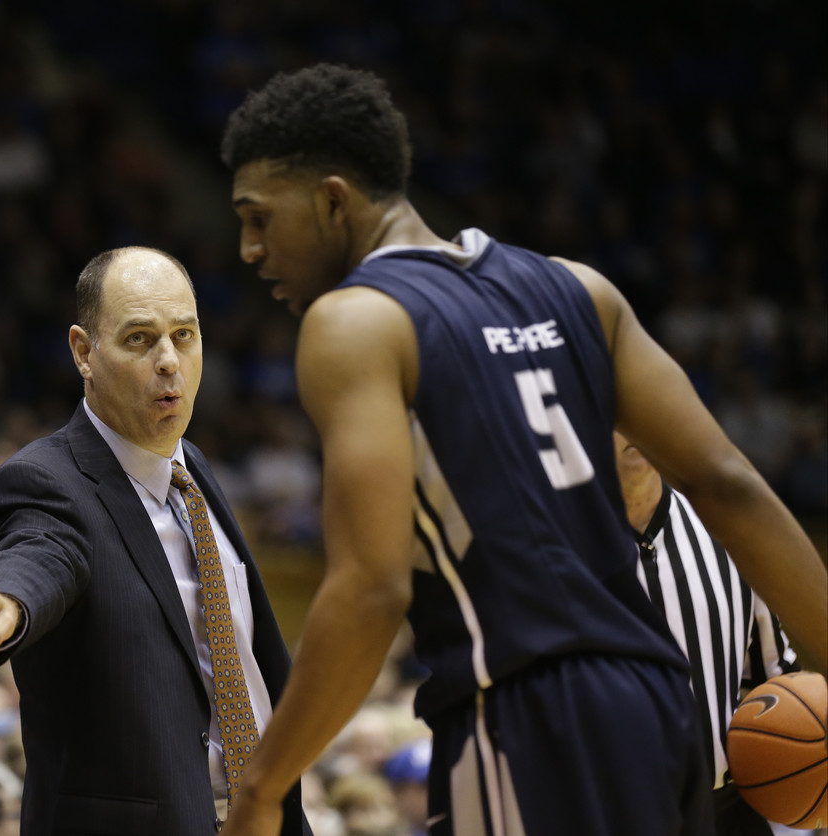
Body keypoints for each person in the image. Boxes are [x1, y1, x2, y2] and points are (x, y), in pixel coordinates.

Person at [216, 63, 828, 836]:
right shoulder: (580, 289)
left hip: (528, 714)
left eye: (258, 217)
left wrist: (262, 787)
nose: (245, 247)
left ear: (333, 200)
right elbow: (729, 483)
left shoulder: (355, 324)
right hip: (660, 709)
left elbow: (371, 589)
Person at [0, 247, 311, 834]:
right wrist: (6, 602)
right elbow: (40, 554)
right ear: (84, 352)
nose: (169, 361)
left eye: (184, 336)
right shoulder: (46, 482)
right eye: (140, 339)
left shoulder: (196, 471)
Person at [615, 432, 799, 836]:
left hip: (729, 811)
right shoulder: (553, 547)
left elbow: (777, 683)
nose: (631, 421)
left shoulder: (729, 528)